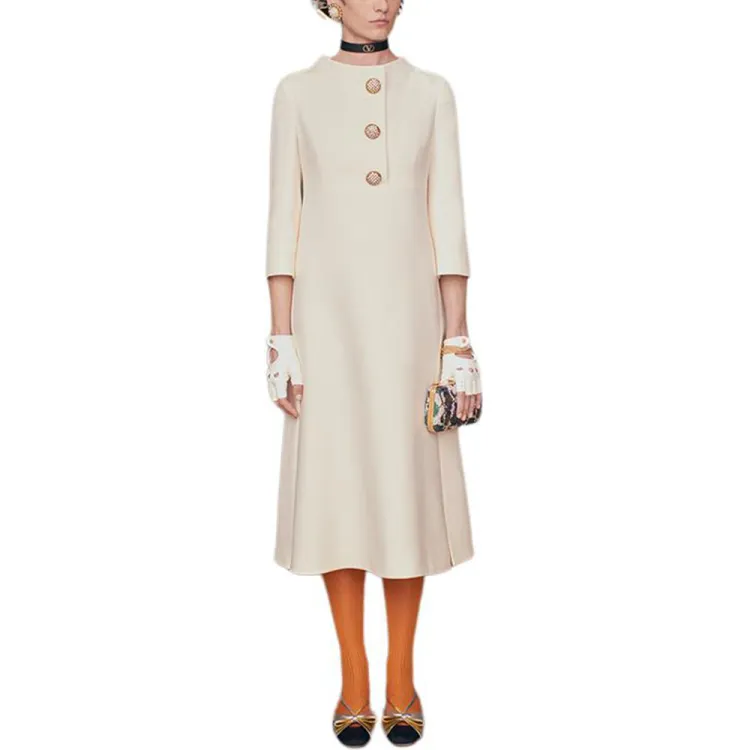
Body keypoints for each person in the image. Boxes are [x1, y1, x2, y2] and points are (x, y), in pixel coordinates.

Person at [264, 1, 482, 745]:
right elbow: (282, 223)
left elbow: (448, 219)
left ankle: (402, 676)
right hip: (325, 325)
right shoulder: (296, 93)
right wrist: (281, 338)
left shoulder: (433, 92)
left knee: (402, 493)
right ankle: (353, 675)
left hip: (410, 327)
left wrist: (457, 340)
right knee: (337, 492)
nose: (385, 0)